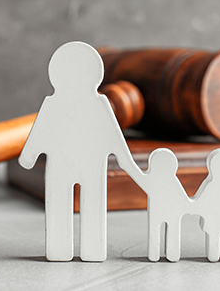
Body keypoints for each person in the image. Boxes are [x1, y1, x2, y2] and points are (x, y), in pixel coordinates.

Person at [18, 41, 138, 262]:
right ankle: (63, 248)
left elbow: (112, 136)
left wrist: (28, 157)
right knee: (62, 203)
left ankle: (83, 248)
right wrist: (126, 161)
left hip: (85, 165)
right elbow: (42, 132)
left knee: (88, 203)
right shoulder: (56, 104)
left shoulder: (95, 103)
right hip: (69, 165)